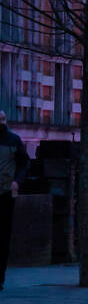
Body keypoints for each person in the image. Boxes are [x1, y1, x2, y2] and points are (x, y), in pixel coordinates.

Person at [0, 111, 29, 290]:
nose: (2, 122)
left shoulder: (13, 140)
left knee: (3, 237)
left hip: (4, 194)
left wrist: (17, 182)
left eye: (3, 119)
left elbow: (24, 164)